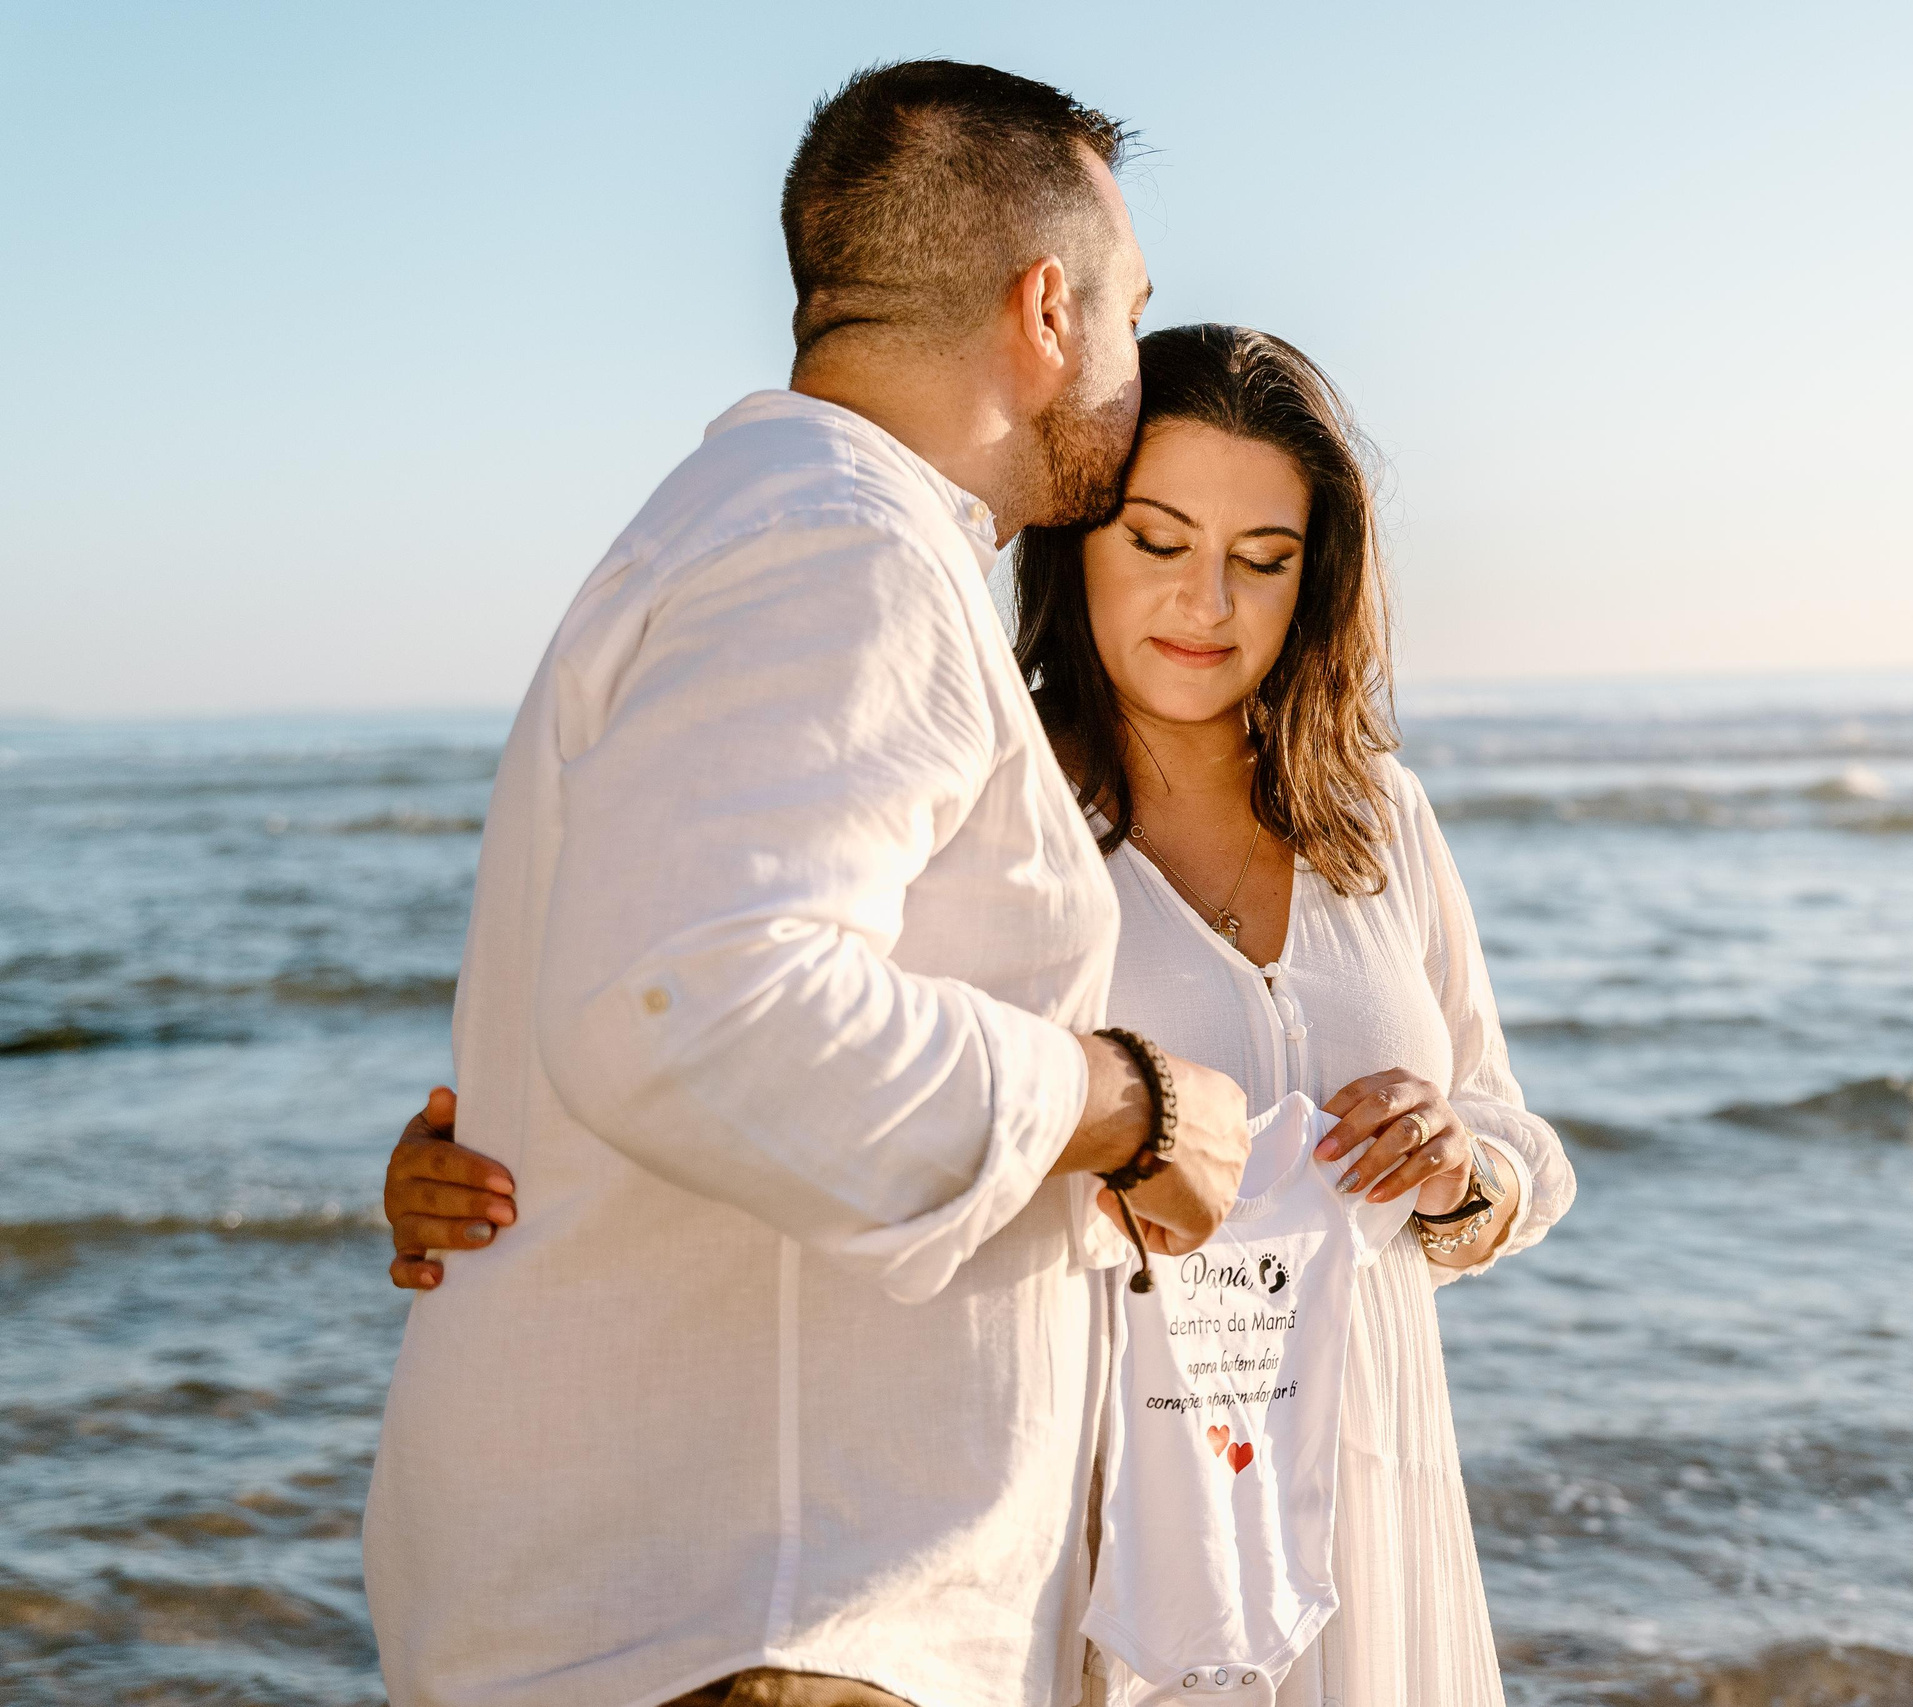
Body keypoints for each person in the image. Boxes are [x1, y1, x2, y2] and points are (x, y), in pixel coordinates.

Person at [384, 325, 1579, 1706]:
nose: (1208, 603)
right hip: (1099, 1504)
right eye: (1157, 541)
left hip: (1364, 1477)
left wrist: (1458, 1172)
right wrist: (521, 1166)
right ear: (1074, 540)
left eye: (1264, 558)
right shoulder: (993, 808)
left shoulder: (1382, 821)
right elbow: (779, 1055)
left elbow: (1509, 1142)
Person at [361, 61, 1261, 1707]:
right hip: (772, 1634)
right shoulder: (838, 552)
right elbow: (703, 1005)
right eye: (1133, 309)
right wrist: (1121, 1103)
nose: (1133, 356)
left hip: (731, 1615)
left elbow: (642, 995)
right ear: (1047, 308)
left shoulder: (750, 530)